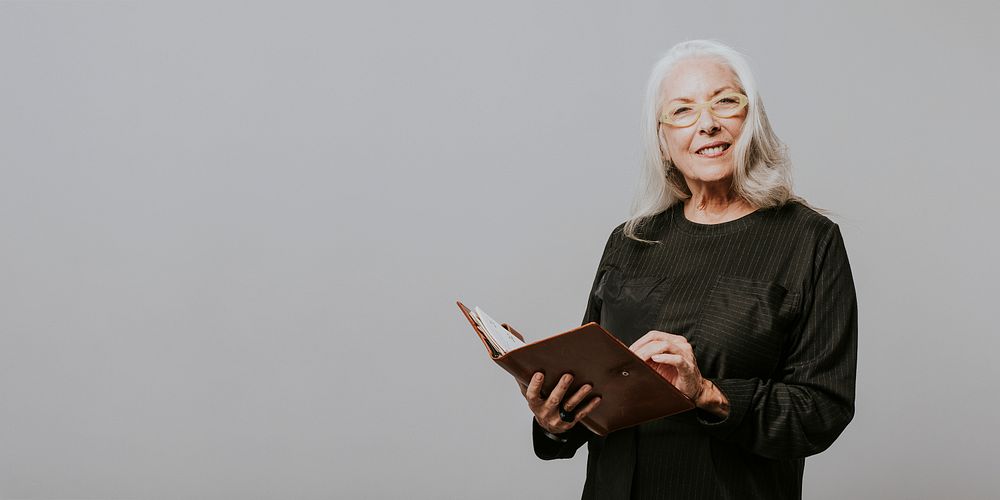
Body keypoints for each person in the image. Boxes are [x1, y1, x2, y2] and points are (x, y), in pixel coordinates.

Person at [517, 39, 858, 499]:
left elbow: (822, 409)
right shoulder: (630, 239)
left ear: (751, 120)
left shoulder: (809, 240)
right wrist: (557, 419)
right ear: (662, 141)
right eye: (682, 111)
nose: (708, 123)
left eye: (725, 102)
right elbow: (598, 387)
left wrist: (707, 393)